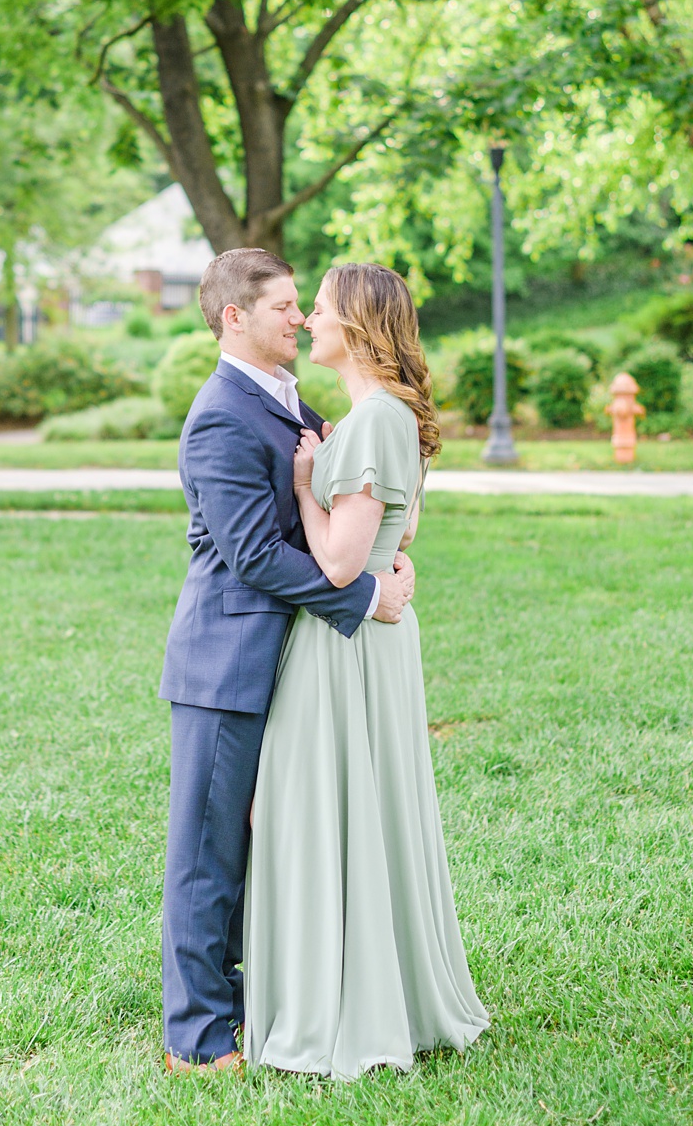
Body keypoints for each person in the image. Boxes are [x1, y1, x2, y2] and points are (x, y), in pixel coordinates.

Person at [160, 246, 413, 1075]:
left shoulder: (288, 399)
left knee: (270, 838)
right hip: (228, 662)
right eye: (283, 308)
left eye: (306, 305)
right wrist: (361, 597)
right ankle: (197, 1038)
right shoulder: (220, 414)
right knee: (210, 850)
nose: (301, 319)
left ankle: (262, 996)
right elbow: (251, 553)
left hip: (293, 665)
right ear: (235, 317)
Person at [240, 261, 489, 1076]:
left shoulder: (377, 418)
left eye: (318, 310)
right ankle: (368, 985)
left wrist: (308, 486)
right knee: (354, 808)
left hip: (346, 643)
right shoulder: (381, 416)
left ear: (358, 324)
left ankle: (345, 1003)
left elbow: (344, 563)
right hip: (371, 641)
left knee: (324, 807)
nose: (308, 320)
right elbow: (400, 538)